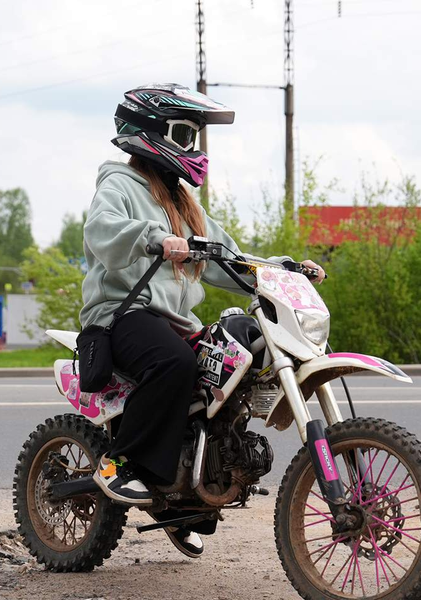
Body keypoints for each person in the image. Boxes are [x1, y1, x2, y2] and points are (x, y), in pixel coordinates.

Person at [80, 84, 324, 557]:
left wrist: (281, 268)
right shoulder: (119, 184)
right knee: (176, 364)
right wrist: (152, 237)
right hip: (122, 314)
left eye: (196, 138)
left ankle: (182, 496)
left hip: (172, 320)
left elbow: (226, 259)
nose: (193, 148)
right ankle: (120, 463)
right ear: (151, 133)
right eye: (183, 135)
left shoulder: (186, 204)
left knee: (235, 365)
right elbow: (101, 230)